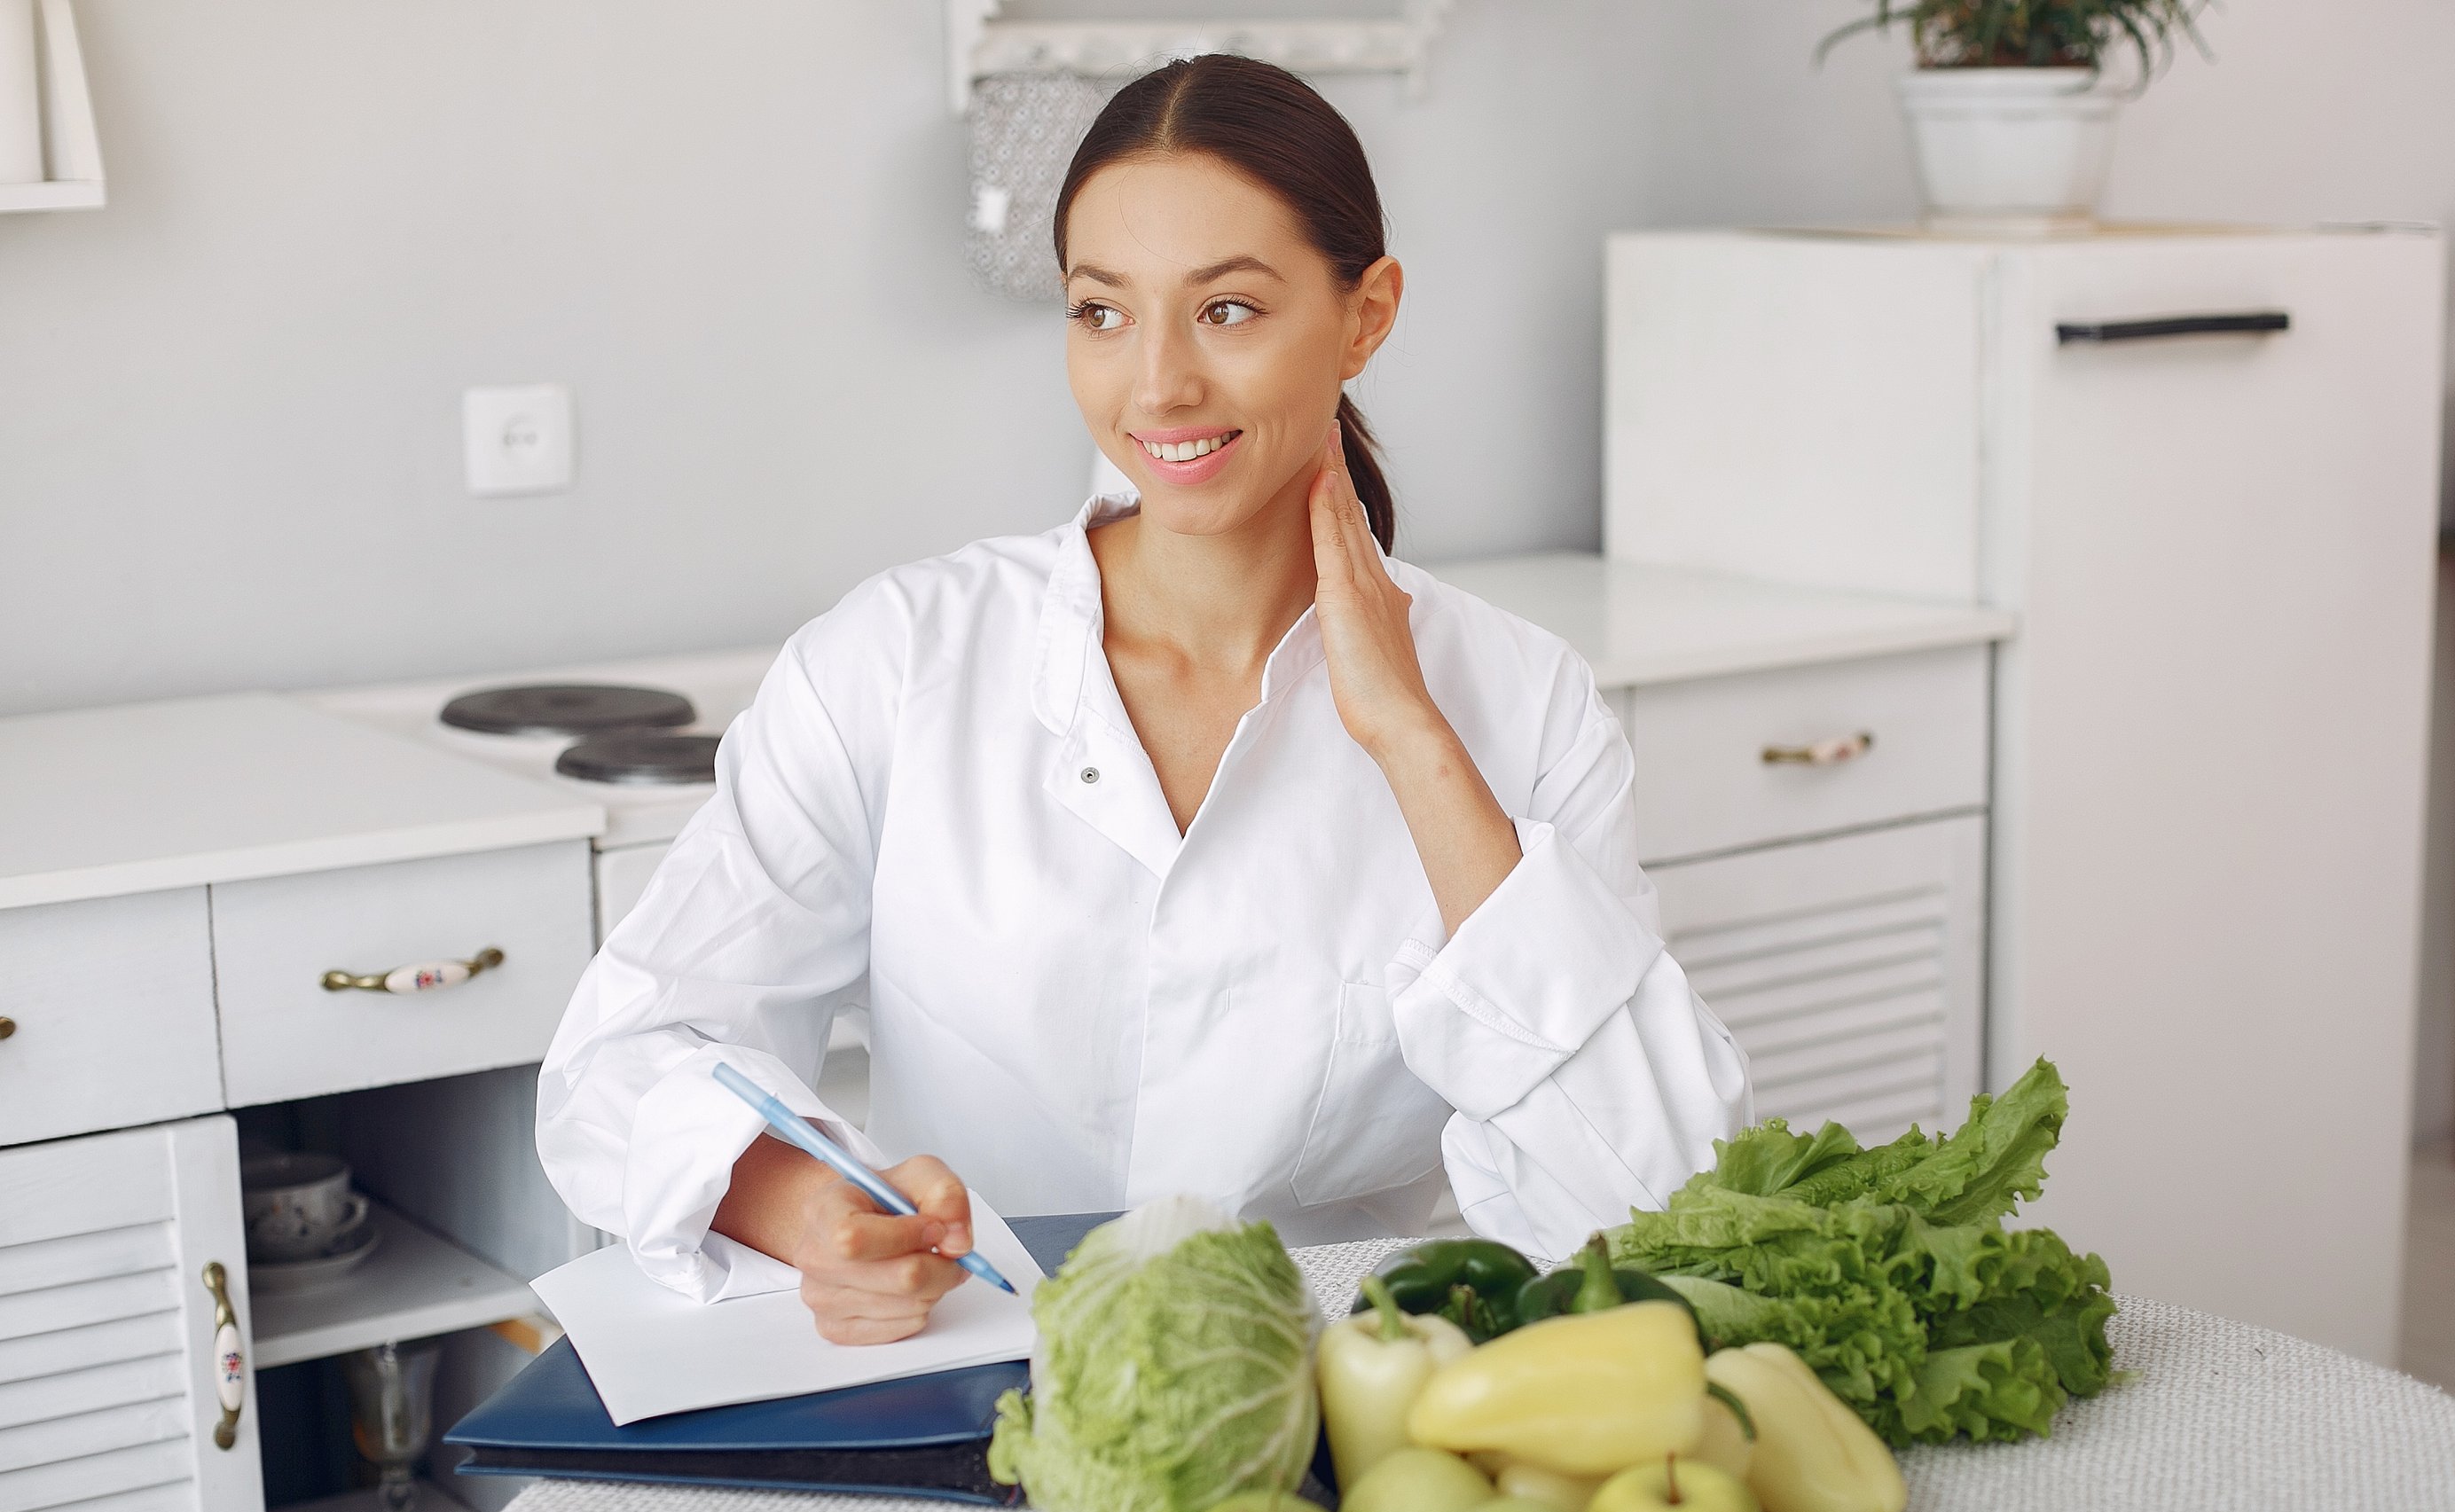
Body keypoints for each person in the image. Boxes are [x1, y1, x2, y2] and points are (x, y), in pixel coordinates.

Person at [537, 55, 1748, 1345]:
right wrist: (810, 1207)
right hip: (976, 1377)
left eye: (1227, 311)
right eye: (1103, 312)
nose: (1156, 384)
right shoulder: (895, 661)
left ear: (1365, 314)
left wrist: (1408, 735)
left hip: (1341, 1405)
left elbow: (1655, 1195)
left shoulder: (1524, 703)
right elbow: (622, 1061)